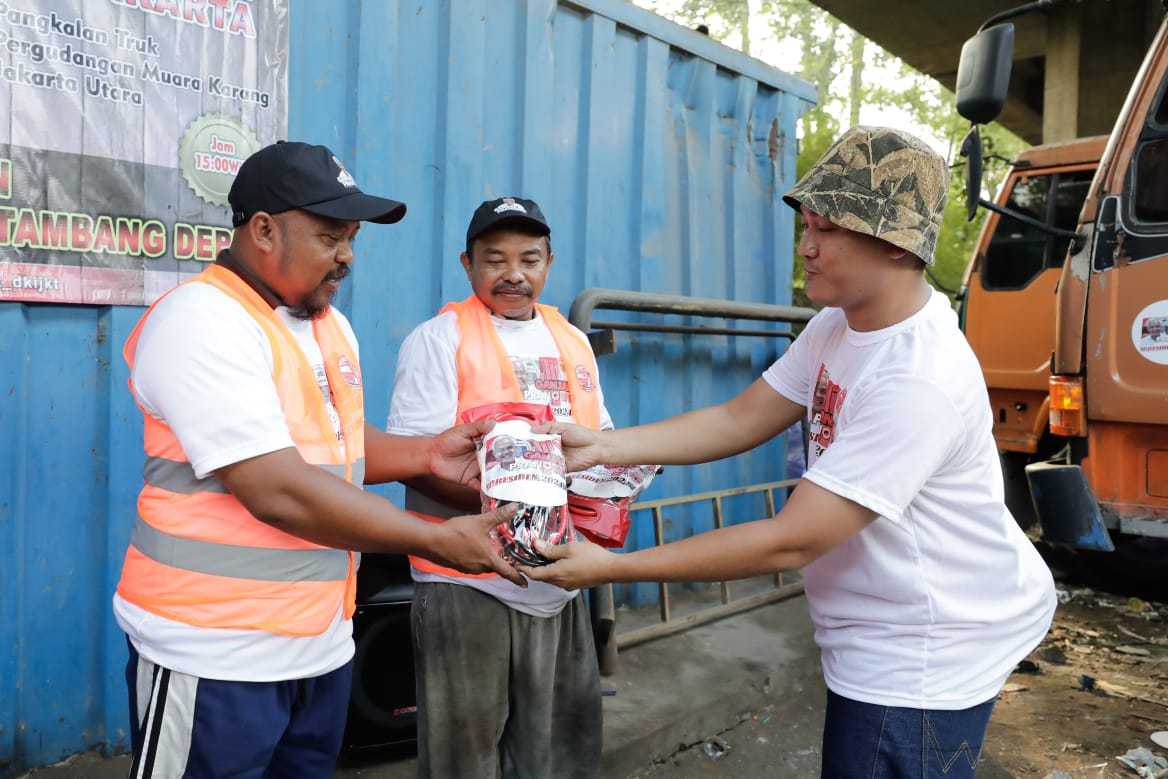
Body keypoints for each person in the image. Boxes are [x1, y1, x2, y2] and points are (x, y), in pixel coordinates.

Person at [520, 127, 1058, 779]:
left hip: (920, 653)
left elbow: (791, 540)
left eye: (826, 228)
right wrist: (601, 445)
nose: (806, 246)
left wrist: (609, 567)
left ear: (893, 243)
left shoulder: (919, 379)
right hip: (879, 624)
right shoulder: (840, 323)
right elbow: (739, 416)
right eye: (807, 224)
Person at [114, 141, 519, 779]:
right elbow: (278, 487)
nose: (347, 256)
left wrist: (424, 454)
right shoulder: (203, 321)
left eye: (353, 237)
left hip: (318, 647)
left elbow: (336, 450)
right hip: (214, 651)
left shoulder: (324, 324)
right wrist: (437, 540)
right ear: (264, 230)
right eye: (331, 236)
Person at [387, 196, 614, 778]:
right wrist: (526, 510)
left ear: (549, 262)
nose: (514, 273)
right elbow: (414, 461)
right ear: (468, 265)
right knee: (464, 755)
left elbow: (602, 441)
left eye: (529, 258)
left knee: (559, 751)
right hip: (467, 582)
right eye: (495, 259)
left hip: (561, 579)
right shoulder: (437, 340)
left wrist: (609, 493)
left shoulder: (572, 341)